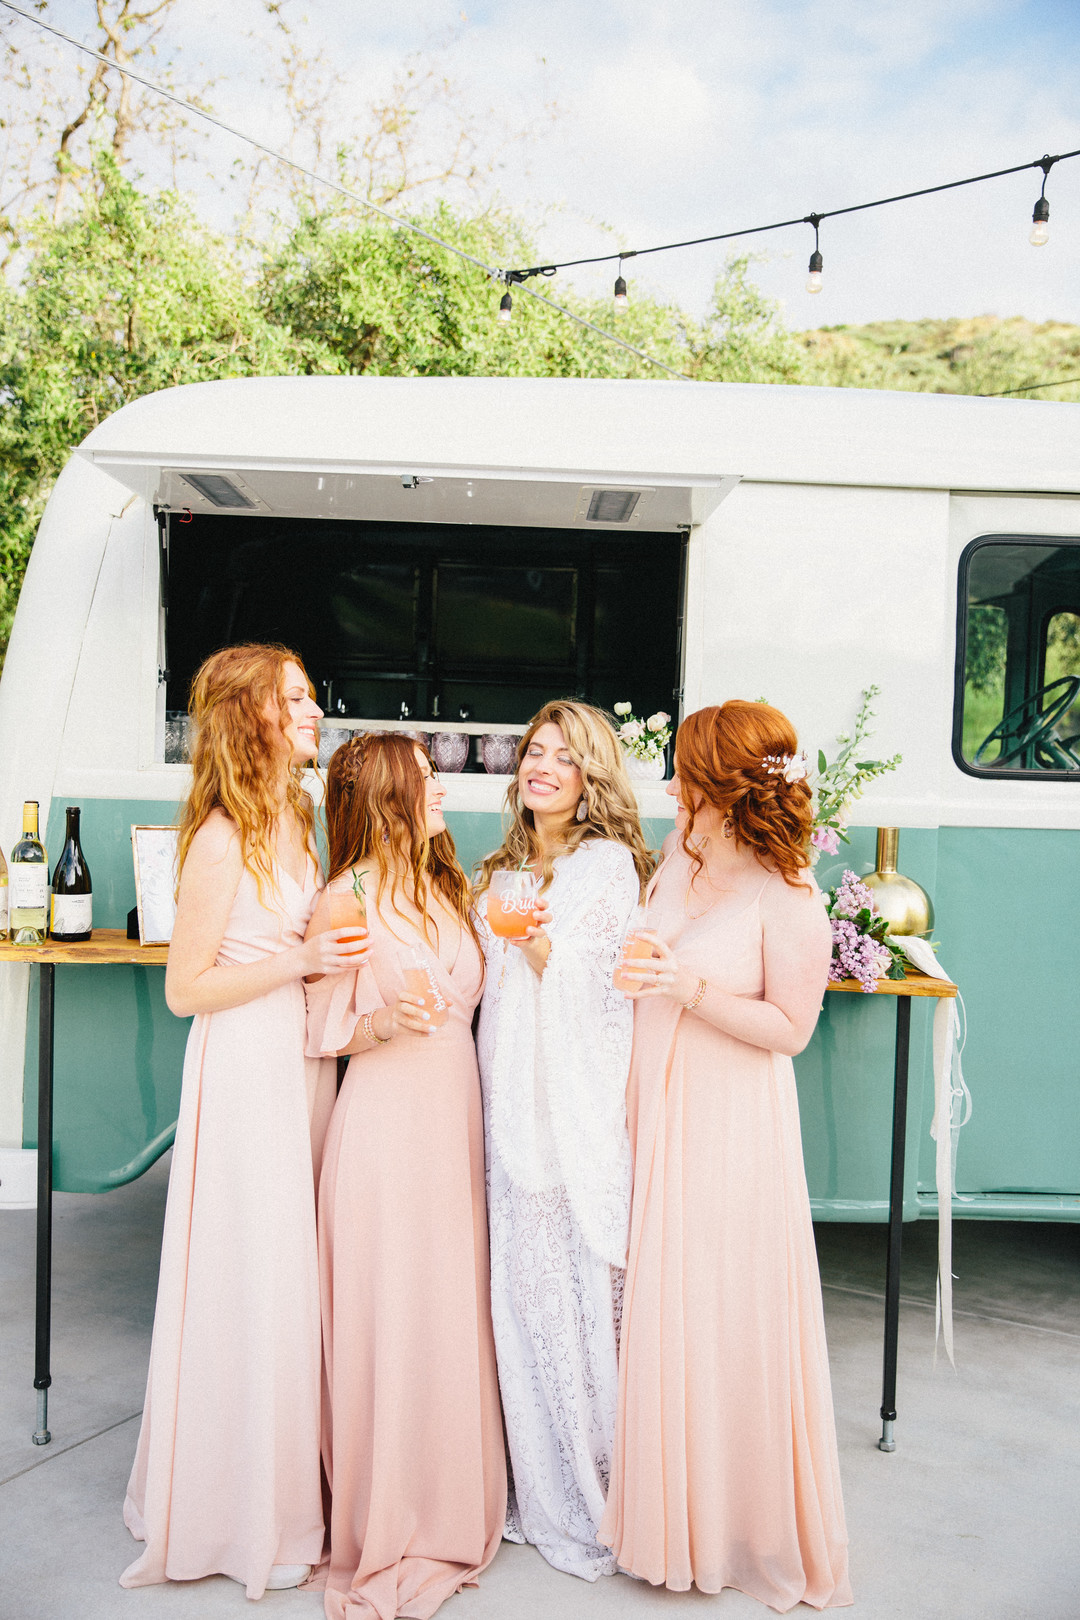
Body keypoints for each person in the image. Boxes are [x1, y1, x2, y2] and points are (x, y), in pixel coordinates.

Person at [599, 700, 853, 1611]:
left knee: (715, 1306)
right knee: (658, 1299)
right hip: (656, 1098)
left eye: (685, 771)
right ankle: (661, 1511)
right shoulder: (684, 852)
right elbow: (650, 948)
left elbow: (791, 1030)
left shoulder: (790, 897)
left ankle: (725, 1522)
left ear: (723, 784)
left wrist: (687, 985)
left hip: (729, 1123)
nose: (671, 783)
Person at [121, 644, 355, 1599]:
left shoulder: (297, 814)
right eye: (293, 699)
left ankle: (284, 1495)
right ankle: (237, 1513)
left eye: (309, 696)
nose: (312, 711)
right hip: (245, 1064)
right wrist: (299, 962)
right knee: (250, 1277)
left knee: (291, 1278)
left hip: (299, 1062)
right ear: (247, 717)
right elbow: (185, 990)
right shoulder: (221, 838)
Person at [304, 732, 506, 1620]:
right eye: (426, 782)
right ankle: (388, 1509)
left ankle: (445, 1491)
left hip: (453, 1126)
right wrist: (380, 1024)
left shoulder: (441, 883)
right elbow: (316, 1028)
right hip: (384, 1131)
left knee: (445, 1311)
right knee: (390, 1316)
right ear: (386, 797)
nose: (443, 794)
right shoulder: (341, 899)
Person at [474, 700, 653, 1580]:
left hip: (565, 1117)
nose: (541, 768)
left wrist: (542, 951)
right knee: (519, 1296)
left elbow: (607, 986)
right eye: (533, 753)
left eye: (564, 757)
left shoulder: (606, 865)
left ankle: (597, 1486)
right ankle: (533, 1473)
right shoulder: (503, 867)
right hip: (503, 1105)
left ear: (591, 778)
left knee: (569, 1300)